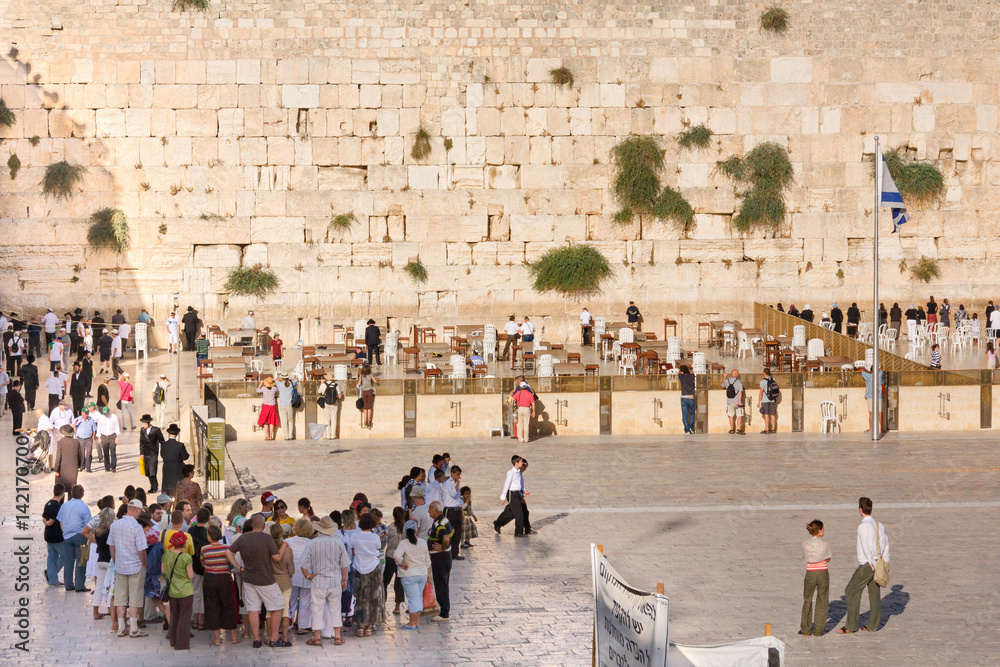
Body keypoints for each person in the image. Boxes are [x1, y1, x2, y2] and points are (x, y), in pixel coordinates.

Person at [226, 515, 288, 648]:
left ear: (252, 525)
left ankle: (256, 639)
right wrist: (283, 546)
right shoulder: (267, 538)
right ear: (264, 526)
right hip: (266, 578)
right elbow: (277, 558)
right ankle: (275, 638)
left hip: (248, 578)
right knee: (278, 606)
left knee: (253, 609)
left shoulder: (243, 538)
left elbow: (228, 553)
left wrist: (238, 567)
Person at [839, 497, 890, 634]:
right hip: (878, 562)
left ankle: (851, 625)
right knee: (874, 593)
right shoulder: (879, 524)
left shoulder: (862, 526)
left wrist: (872, 562)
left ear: (860, 510)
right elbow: (885, 543)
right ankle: (873, 625)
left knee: (851, 590)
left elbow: (865, 547)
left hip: (867, 564)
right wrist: (883, 561)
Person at [299, 516, 350, 647]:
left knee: (317, 608)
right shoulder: (338, 543)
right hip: (334, 580)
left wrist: (308, 576)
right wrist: (344, 579)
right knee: (335, 608)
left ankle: (316, 638)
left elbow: (302, 564)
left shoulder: (312, 543)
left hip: (318, 580)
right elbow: (345, 564)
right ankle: (337, 637)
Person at [109, 499, 150, 637]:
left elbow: (111, 546)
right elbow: (142, 550)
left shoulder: (115, 525)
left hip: (120, 566)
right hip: (135, 566)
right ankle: (133, 628)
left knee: (120, 598)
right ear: (137, 510)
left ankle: (121, 627)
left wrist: (115, 561)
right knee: (134, 598)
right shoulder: (137, 527)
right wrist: (143, 564)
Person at [200, 524, 241, 645]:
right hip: (225, 578)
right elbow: (230, 562)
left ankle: (217, 638)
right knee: (228, 605)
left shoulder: (204, 549)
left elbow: (203, 563)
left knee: (212, 606)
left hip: (210, 579)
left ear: (209, 536)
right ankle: (234, 636)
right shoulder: (226, 548)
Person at [351, 513, 385, 636]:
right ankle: (370, 625)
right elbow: (377, 551)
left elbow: (353, 551)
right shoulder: (375, 537)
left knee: (360, 597)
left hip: (359, 568)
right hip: (373, 568)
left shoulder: (354, 536)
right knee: (373, 597)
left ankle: (360, 626)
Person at [393, 518, 430, 630]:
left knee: (413, 599)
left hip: (409, 574)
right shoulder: (423, 542)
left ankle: (412, 623)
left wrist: (401, 563)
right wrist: (426, 571)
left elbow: (396, 556)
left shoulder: (404, 543)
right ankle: (416, 621)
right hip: (422, 573)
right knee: (418, 598)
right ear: (416, 531)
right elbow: (428, 560)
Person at [57, 484, 92, 593]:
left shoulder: (64, 506)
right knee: (80, 561)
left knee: (68, 561)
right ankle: (79, 585)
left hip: (66, 536)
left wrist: (64, 531)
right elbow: (88, 525)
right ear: (82, 494)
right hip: (79, 535)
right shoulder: (84, 508)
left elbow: (60, 520)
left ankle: (68, 585)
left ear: (71, 493)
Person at [163, 530, 195, 649]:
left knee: (174, 615)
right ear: (184, 543)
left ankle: (173, 640)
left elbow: (163, 571)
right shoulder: (186, 557)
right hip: (185, 591)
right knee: (184, 617)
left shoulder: (167, 554)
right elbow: (190, 575)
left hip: (172, 590)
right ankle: (181, 643)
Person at [801, 519, 832, 637]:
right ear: (819, 530)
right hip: (822, 572)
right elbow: (828, 558)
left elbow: (806, 557)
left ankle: (805, 628)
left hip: (810, 573)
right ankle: (819, 630)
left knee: (807, 599)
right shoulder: (825, 544)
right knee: (822, 600)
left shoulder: (804, 543)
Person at [286, 519, 315, 635]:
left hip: (292, 575)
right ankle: (303, 625)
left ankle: (288, 624)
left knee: (290, 601)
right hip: (306, 575)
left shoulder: (288, 541)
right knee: (305, 601)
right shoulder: (311, 544)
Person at [426, 501, 454, 621]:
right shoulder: (444, 520)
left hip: (440, 557)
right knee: (443, 583)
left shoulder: (439, 523)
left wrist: (442, 547)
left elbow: (446, 537)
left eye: (430, 509)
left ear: (435, 510)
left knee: (441, 584)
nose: (428, 511)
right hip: (445, 556)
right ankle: (443, 609)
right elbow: (452, 532)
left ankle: (444, 613)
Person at [268, 523, 295, 644]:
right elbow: (291, 569)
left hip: (271, 581)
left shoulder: (268, 548)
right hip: (285, 581)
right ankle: (284, 637)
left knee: (270, 612)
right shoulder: (287, 549)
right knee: (285, 611)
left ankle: (270, 637)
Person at [89, 507, 116, 620]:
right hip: (109, 561)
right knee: (112, 587)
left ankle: (96, 612)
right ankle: (111, 610)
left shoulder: (98, 531)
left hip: (100, 560)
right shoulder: (112, 531)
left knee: (99, 587)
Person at [494, 455, 527, 537]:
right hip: (512, 494)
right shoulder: (510, 472)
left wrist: (523, 491)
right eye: (521, 462)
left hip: (518, 493)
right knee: (519, 514)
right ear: (516, 463)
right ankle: (518, 533)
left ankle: (498, 523)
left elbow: (520, 483)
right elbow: (507, 484)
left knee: (511, 512)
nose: (522, 463)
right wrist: (503, 497)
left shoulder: (519, 472)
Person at [43, 483, 66, 587]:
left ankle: (53, 581)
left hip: (48, 534)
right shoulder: (58, 506)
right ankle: (51, 573)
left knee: (51, 556)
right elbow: (53, 520)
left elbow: (45, 518)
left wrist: (46, 523)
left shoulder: (47, 503)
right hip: (56, 536)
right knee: (65, 555)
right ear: (62, 493)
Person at [441, 466, 465, 560]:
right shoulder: (447, 483)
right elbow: (453, 494)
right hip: (449, 510)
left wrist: (461, 510)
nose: (459, 477)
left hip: (457, 510)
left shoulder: (456, 483)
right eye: (457, 474)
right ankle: (447, 553)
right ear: (452, 474)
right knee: (449, 532)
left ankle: (455, 553)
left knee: (457, 533)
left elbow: (458, 498)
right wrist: (457, 483)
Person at [160, 424, 190, 496]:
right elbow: (185, 456)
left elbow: (162, 455)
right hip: (178, 469)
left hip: (167, 468)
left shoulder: (164, 445)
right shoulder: (180, 445)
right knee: (178, 489)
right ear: (177, 434)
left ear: (168, 434)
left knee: (167, 489)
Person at [139, 414, 164, 493]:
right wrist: (142, 453)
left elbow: (162, 441)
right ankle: (153, 485)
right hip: (146, 453)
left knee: (152, 470)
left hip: (153, 453)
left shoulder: (156, 430)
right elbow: (141, 442)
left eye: (144, 423)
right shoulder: (142, 430)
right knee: (148, 472)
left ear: (148, 423)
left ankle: (154, 487)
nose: (143, 425)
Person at [509, 376, 536, 443]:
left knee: (520, 424)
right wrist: (534, 412)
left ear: (521, 387)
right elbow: (533, 404)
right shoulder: (530, 394)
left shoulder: (519, 392)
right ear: (526, 387)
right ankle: (526, 439)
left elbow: (512, 399)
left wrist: (511, 394)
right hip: (527, 409)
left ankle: (520, 439)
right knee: (526, 425)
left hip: (520, 409)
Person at [95, 405, 122, 473]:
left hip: (112, 435)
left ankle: (113, 467)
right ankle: (107, 467)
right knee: (105, 452)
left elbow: (117, 427)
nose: (106, 415)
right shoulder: (101, 418)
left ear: (109, 411)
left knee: (113, 451)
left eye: (107, 413)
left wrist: (117, 437)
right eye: (105, 414)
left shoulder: (114, 417)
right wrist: (99, 437)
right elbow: (99, 428)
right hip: (104, 436)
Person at [318, 372, 343, 439]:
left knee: (327, 420)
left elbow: (319, 392)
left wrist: (321, 383)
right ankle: (333, 436)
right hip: (334, 403)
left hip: (326, 403)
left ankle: (327, 435)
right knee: (334, 419)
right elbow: (340, 396)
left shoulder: (323, 385)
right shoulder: (336, 385)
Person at [73, 407, 98, 473]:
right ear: (82, 413)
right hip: (80, 438)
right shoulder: (78, 419)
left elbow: (94, 429)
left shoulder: (91, 419)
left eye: (87, 414)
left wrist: (92, 437)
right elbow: (72, 428)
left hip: (88, 438)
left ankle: (88, 467)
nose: (86, 415)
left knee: (89, 453)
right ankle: (82, 466)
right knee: (82, 453)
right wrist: (75, 423)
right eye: (85, 414)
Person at [860, 366, 884, 433]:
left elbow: (861, 370)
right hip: (879, 396)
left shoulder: (868, 376)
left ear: (871, 371)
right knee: (880, 414)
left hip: (870, 397)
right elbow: (881, 370)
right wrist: (879, 369)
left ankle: (871, 429)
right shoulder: (880, 374)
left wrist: (864, 369)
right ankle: (881, 429)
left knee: (871, 414)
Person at [276, 372, 298, 440]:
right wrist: (290, 380)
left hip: (283, 405)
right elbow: (296, 379)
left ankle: (286, 436)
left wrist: (281, 379)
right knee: (291, 421)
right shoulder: (291, 383)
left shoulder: (279, 383)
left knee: (284, 421)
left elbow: (275, 379)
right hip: (289, 405)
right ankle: (290, 436)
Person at [722, 369, 744, 435]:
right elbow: (740, 391)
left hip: (729, 401)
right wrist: (739, 401)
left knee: (731, 416)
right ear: (736, 374)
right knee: (739, 415)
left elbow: (722, 385)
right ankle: (738, 429)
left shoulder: (727, 380)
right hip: (737, 401)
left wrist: (725, 377)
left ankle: (732, 430)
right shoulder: (739, 381)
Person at [758, 367, 779, 434]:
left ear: (764, 373)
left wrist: (759, 401)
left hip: (765, 400)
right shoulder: (773, 379)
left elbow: (761, 392)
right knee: (772, 414)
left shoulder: (762, 381)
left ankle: (767, 429)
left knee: (766, 414)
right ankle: (773, 429)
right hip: (772, 400)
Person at [358, 364, 378, 429]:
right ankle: (369, 421)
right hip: (369, 391)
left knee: (365, 407)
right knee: (369, 407)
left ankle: (365, 421)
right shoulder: (371, 375)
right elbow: (375, 381)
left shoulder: (361, 376)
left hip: (364, 391)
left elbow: (359, 384)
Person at [678, 364, 696, 434]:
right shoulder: (691, 376)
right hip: (691, 397)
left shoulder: (681, 376)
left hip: (684, 397)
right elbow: (693, 372)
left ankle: (687, 430)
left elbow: (678, 373)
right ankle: (691, 428)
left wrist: (681, 372)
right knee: (692, 413)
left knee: (685, 415)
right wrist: (689, 371)